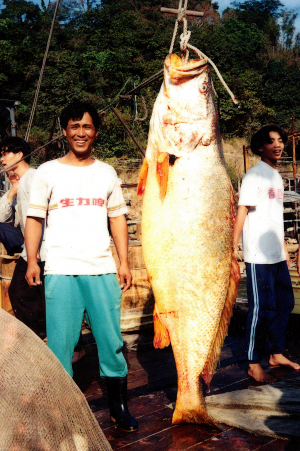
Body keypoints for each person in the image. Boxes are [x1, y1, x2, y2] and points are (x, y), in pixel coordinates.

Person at [25, 100, 138, 432]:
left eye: (87, 126)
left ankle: (118, 407)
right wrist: (33, 260)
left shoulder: (106, 173)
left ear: (96, 132)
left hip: (101, 269)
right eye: (74, 126)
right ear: (64, 132)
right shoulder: (47, 171)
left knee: (112, 343)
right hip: (60, 269)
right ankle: (61, 412)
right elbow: (34, 219)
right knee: (60, 345)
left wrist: (124, 262)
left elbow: (117, 219)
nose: (80, 132)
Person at [233, 125, 300, 383]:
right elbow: (242, 211)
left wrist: (284, 248)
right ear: (261, 147)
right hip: (258, 256)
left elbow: (274, 218)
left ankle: (275, 353)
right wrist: (233, 246)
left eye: (281, 141)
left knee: (285, 304)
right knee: (260, 309)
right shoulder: (254, 176)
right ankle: (253, 362)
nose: (278, 145)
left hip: (276, 254)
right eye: (271, 141)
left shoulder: (276, 177)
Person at [0, 137, 46, 335]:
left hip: (40, 249)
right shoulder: (19, 183)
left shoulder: (35, 177)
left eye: (5, 153)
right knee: (25, 294)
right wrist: (12, 192)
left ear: (19, 155)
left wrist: (34, 252)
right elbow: (1, 217)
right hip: (29, 247)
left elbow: (40, 218)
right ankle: (44, 337)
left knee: (23, 293)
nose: (2, 159)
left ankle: (43, 337)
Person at [0, 170, 24, 255]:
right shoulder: (7, 195)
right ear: (8, 178)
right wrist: (10, 195)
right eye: (13, 176)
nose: (18, 179)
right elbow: (1, 219)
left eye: (20, 175)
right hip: (19, 237)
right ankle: (18, 248)